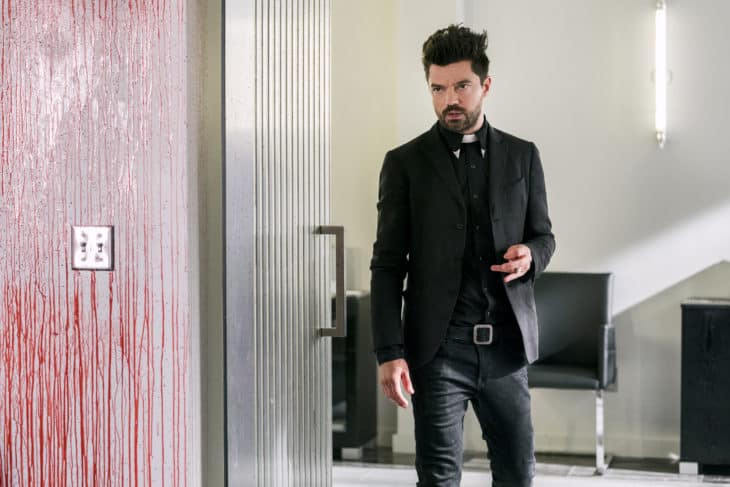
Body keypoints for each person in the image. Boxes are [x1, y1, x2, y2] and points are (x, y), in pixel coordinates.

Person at [369, 24, 556, 487]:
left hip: (507, 349)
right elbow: (387, 266)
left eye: (461, 86)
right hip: (439, 353)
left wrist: (530, 256)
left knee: (518, 475)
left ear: (485, 85)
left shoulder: (523, 157)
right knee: (438, 479)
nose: (449, 99)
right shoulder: (404, 164)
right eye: (438, 88)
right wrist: (388, 353)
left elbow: (544, 237)